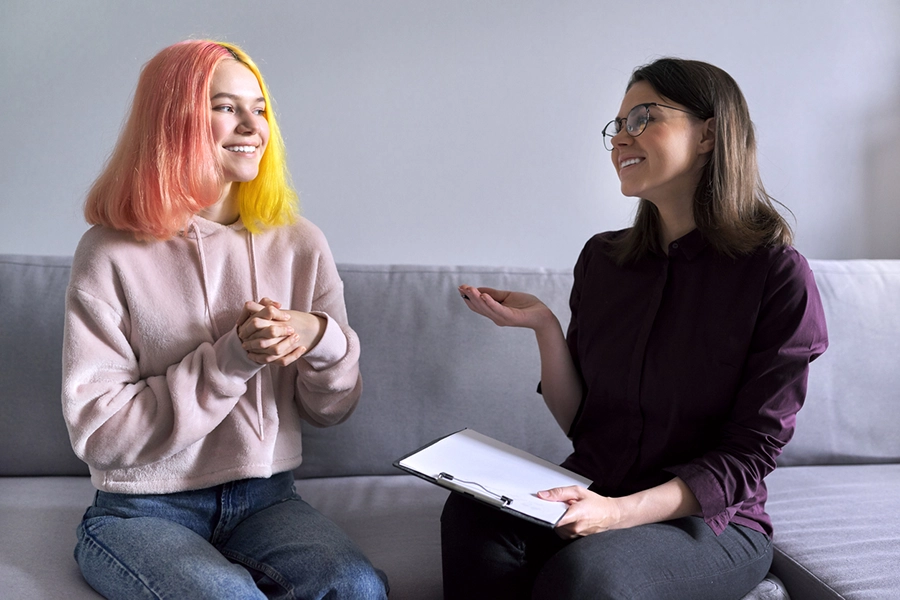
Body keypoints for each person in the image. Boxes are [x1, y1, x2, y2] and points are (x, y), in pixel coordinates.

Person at [442, 58, 828, 599]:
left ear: (709, 134)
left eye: (642, 118)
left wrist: (618, 514)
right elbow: (584, 424)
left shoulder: (777, 275)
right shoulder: (604, 260)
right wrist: (546, 328)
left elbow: (749, 455)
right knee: (472, 511)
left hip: (708, 524)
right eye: (617, 126)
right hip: (597, 488)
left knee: (588, 575)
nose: (621, 139)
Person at [62, 40, 388, 599]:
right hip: (141, 510)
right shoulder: (109, 252)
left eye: (259, 108)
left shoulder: (300, 243)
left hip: (267, 498)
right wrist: (231, 359)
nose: (251, 126)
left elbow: (332, 410)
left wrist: (321, 340)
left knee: (355, 587)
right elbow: (99, 431)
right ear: (174, 121)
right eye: (224, 107)